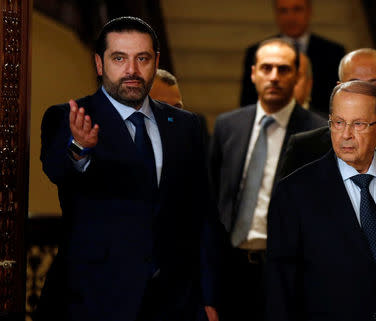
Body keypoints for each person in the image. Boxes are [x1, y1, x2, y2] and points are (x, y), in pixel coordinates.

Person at [37, 16, 220, 321]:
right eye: (119, 58)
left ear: (155, 61)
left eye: (142, 59)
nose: (132, 70)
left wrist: (210, 299)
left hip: (175, 303)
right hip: (95, 301)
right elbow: (58, 169)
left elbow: (202, 216)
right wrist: (80, 148)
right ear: (100, 64)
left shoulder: (186, 125)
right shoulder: (69, 117)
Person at [266, 81, 376, 321]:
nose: (346, 134)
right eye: (338, 123)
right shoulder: (294, 192)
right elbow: (280, 287)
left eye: (358, 124)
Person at [209, 38, 326, 321]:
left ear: (298, 76)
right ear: (253, 73)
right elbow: (210, 200)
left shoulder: (320, 133)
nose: (274, 77)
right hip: (230, 270)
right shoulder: (227, 125)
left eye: (283, 69)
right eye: (266, 68)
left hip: (286, 274)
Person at [280, 48, 376, 179]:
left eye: (375, 86)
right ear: (338, 90)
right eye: (354, 85)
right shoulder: (305, 148)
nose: (363, 96)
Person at [239, 0, 345, 114]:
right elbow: (247, 101)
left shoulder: (333, 52)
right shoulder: (256, 52)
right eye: (283, 10)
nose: (290, 17)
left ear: (309, 11)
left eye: (297, 9)